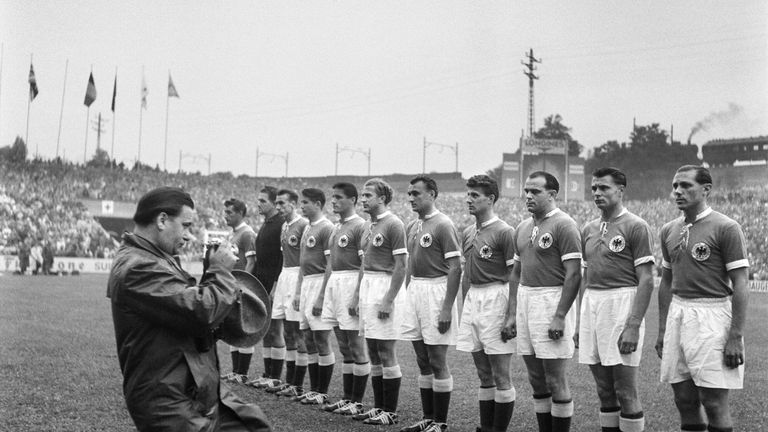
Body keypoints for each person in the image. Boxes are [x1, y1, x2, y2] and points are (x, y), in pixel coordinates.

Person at [107, 186, 271, 431]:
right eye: (185, 226)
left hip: (194, 386)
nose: (188, 236)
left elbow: (183, 311)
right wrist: (220, 271)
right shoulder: (136, 267)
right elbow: (201, 312)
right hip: (166, 398)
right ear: (162, 220)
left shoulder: (156, 257)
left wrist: (211, 274)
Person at [656, 165, 749, 432]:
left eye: (686, 185)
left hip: (712, 315)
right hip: (678, 313)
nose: (677, 191)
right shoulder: (668, 230)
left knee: (714, 402)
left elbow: (741, 283)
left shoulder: (726, 227)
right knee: (684, 399)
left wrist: (735, 336)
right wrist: (663, 329)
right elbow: (667, 281)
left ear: (706, 189)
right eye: (675, 186)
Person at [577, 168, 655, 432]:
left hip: (621, 303)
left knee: (625, 390)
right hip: (592, 304)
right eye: (594, 189)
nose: (597, 193)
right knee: (603, 389)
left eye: (604, 188)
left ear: (620, 191)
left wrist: (633, 325)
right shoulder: (588, 228)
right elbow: (585, 278)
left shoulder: (636, 226)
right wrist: (579, 322)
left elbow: (646, 279)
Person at [510, 171, 581, 432]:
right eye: (526, 190)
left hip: (551, 300)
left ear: (552, 194)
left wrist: (560, 315)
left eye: (535, 191)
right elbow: (516, 273)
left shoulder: (564, 225)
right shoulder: (522, 227)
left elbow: (574, 274)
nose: (528, 195)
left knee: (555, 379)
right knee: (536, 379)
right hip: (526, 299)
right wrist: (511, 313)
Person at [400, 175, 461, 432]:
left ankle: (440, 422)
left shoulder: (444, 224)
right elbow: (409, 264)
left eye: (417, 193)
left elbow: (455, 268)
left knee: (437, 359)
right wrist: (407, 292)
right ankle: (427, 417)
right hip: (416, 289)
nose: (411, 198)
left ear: (432, 194)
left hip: (436, 292)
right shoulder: (412, 226)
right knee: (422, 359)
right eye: (410, 194)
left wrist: (447, 307)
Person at [457, 175, 517, 432]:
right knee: (483, 373)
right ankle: (486, 427)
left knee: (500, 374)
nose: (469, 200)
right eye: (468, 194)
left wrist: (511, 314)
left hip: (497, 297)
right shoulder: (468, 232)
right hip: (474, 298)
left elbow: (516, 275)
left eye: (475, 195)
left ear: (490, 199)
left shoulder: (505, 231)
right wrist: (464, 307)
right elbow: (467, 274)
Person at [349, 177, 407, 426]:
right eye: (362, 195)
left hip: (384, 286)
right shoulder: (367, 226)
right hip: (368, 286)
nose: (363, 200)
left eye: (367, 195)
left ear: (382, 198)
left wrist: (389, 300)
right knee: (372, 350)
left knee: (386, 350)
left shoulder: (394, 224)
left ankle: (390, 412)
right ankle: (378, 407)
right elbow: (364, 263)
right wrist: (356, 294)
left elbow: (402, 265)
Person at [317, 182, 371, 416]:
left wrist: (357, 294)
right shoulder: (336, 227)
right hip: (335, 284)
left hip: (351, 284)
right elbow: (330, 264)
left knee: (356, 346)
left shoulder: (360, 226)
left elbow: (364, 263)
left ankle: (357, 401)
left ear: (353, 200)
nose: (334, 201)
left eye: (339, 197)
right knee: (344, 346)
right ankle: (347, 398)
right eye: (333, 197)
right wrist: (323, 292)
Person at [290, 188, 336, 405]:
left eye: (305, 202)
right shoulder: (308, 227)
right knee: (308, 338)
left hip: (320, 283)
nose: (302, 206)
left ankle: (322, 391)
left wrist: (321, 297)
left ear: (318, 204)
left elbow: (330, 265)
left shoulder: (327, 228)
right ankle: (314, 388)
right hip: (307, 283)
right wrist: (298, 291)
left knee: (321, 338)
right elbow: (301, 264)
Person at [269, 189, 311, 398]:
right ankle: (289, 381)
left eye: (282, 204)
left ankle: (298, 384)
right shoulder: (284, 226)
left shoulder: (303, 225)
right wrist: (277, 284)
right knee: (286, 331)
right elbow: (282, 258)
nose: (278, 207)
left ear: (293, 204)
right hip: (285, 276)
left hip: (297, 276)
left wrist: (298, 290)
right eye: (276, 204)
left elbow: (304, 259)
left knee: (297, 330)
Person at [247, 186, 288, 390]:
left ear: (273, 203)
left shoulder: (281, 224)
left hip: (272, 284)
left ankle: (275, 376)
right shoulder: (266, 224)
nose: (259, 204)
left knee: (275, 330)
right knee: (266, 330)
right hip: (261, 283)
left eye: (263, 201)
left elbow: (281, 259)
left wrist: (274, 286)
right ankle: (267, 373)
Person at [221, 197, 259, 384]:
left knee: (244, 327)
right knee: (233, 326)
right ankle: (236, 371)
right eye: (225, 212)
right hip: (230, 285)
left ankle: (242, 373)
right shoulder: (231, 234)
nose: (225, 215)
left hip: (240, 287)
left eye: (230, 212)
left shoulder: (247, 234)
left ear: (240, 214)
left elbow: (251, 262)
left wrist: (244, 285)